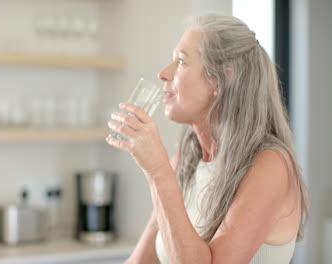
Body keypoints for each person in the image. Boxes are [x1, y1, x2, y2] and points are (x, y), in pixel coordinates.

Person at [105, 14, 308, 264]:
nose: (162, 74)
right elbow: (141, 261)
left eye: (180, 61)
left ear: (222, 80)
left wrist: (157, 171)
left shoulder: (270, 164)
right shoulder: (187, 158)